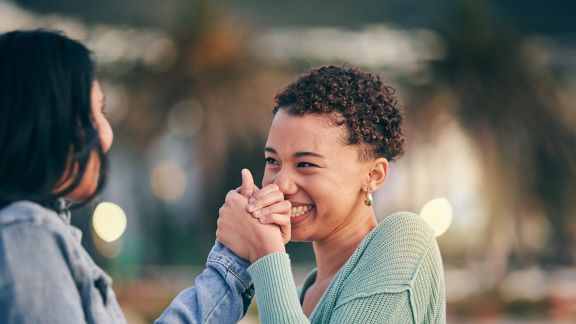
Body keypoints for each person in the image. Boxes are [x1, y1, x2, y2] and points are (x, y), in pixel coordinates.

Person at [0, 29, 253, 324]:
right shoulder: (28, 234)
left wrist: (232, 260)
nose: (105, 136)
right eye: (92, 114)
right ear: (39, 122)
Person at [216, 66, 446, 323]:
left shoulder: (407, 240)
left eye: (305, 164)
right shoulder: (299, 296)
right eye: (272, 160)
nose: (281, 184)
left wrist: (265, 252)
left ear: (374, 175)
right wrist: (233, 256)